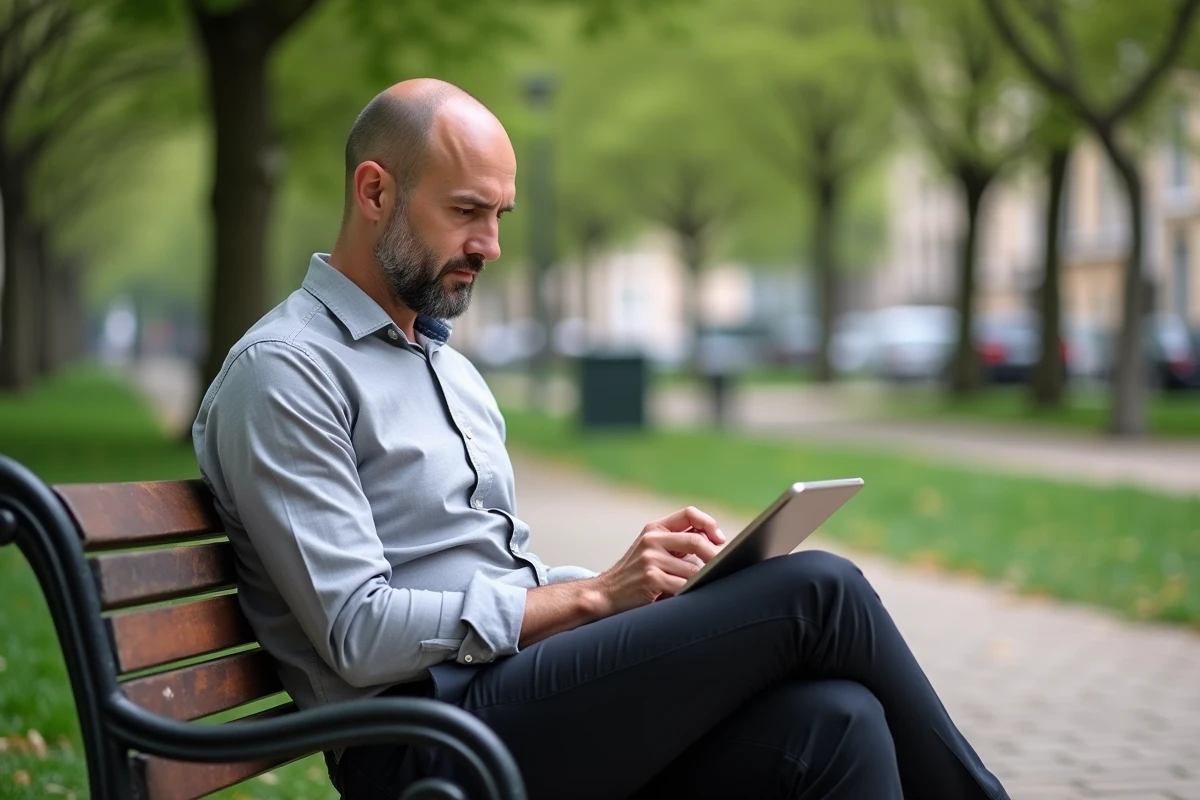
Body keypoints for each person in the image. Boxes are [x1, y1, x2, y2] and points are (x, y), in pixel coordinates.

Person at [193, 78, 1009, 800]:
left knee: (838, 720)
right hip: (428, 744)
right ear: (375, 192)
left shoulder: (445, 366)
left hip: (510, 701)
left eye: (500, 215)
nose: (490, 246)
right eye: (466, 212)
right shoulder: (285, 373)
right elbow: (359, 634)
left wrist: (637, 586)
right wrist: (590, 598)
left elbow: (498, 573)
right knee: (817, 591)